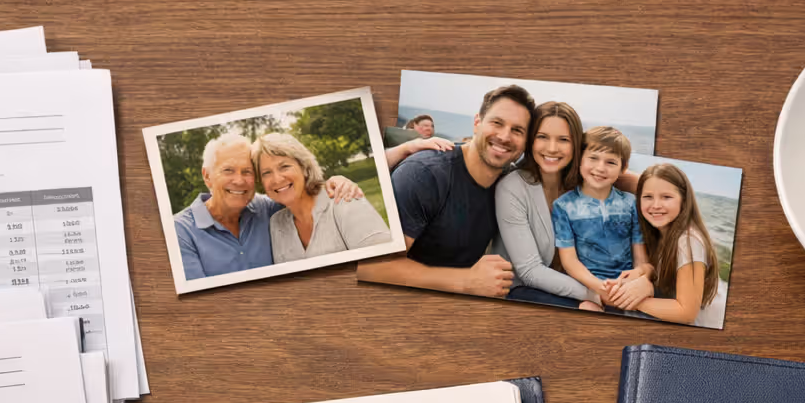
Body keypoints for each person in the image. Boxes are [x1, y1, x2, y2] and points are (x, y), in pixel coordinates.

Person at [356, 84, 536, 298]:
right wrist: (466, 282)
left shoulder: (511, 184)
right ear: (477, 123)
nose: (505, 136)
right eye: (497, 123)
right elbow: (370, 267)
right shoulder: (424, 175)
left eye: (517, 130)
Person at [172, 132, 364, 280]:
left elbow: (296, 193)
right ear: (207, 176)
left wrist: (335, 183)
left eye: (247, 171)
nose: (239, 181)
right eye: (228, 170)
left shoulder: (266, 209)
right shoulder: (179, 231)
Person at [493, 101, 602, 311]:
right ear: (530, 140)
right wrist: (596, 295)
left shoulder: (582, 186)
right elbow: (529, 271)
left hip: (578, 287)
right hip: (521, 292)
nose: (552, 148)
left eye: (563, 140)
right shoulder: (513, 187)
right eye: (542, 137)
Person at [254, 132, 392, 262]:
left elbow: (385, 263)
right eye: (266, 173)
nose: (277, 179)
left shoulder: (344, 199)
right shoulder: (276, 224)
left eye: (284, 166)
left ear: (304, 167)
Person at [552, 127, 649, 309]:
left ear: (623, 168)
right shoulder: (564, 206)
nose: (600, 168)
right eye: (593, 158)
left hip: (625, 285)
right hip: (588, 287)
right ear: (580, 159)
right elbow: (569, 261)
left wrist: (638, 276)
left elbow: (640, 257)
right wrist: (599, 288)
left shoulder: (631, 203)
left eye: (611, 162)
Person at [623, 162, 721, 325]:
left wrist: (633, 299)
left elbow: (687, 312)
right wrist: (645, 273)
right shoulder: (661, 233)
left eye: (666, 197)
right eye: (647, 197)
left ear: (684, 200)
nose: (655, 205)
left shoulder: (688, 240)